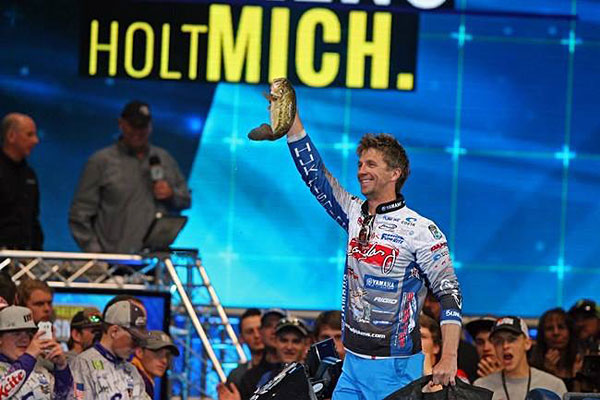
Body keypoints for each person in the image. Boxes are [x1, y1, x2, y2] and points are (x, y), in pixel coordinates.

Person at [280, 107, 463, 399]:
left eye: (371, 164)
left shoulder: (421, 229)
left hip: (396, 367)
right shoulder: (354, 212)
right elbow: (315, 175)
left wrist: (450, 356)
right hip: (352, 364)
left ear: (395, 173)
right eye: (360, 163)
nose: (361, 170)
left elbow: (449, 293)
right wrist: (292, 122)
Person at [69, 100, 191, 254]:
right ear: (121, 124)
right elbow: (79, 214)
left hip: (155, 262)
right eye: (133, 126)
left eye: (143, 127)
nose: (138, 132)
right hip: (112, 263)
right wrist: (95, 254)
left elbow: (186, 200)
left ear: (150, 126)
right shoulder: (101, 162)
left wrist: (171, 194)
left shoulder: (164, 159)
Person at [70, 299, 150, 399]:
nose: (136, 346)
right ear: (114, 331)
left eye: (139, 340)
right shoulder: (84, 363)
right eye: (134, 339)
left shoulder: (131, 370)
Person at [474, 316, 567, 400]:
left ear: (527, 343)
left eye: (512, 339)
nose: (505, 346)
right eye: (498, 341)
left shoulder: (553, 385)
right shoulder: (481, 386)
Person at [0, 305, 72, 399]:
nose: (25, 339)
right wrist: (29, 356)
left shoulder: (40, 371)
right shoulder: (29, 361)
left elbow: (64, 397)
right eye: (16, 334)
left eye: (28, 333)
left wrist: (62, 368)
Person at [0, 112, 43, 250]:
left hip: (23, 256)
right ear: (11, 136)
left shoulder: (29, 175)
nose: (35, 141)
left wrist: (37, 251)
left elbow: (33, 217)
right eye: (29, 135)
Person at [237, 309, 287, 400]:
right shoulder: (248, 378)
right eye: (268, 326)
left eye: (278, 325)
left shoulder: (303, 370)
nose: (274, 331)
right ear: (261, 332)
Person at [529, 308, 582, 390]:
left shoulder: (580, 362)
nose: (556, 333)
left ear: (570, 331)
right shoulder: (532, 366)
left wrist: (577, 377)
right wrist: (547, 372)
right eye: (549, 328)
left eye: (561, 327)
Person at [132, 330, 180, 397]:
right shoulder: (132, 381)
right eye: (158, 353)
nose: (164, 361)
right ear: (139, 352)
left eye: (167, 355)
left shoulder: (145, 382)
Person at [227, 308, 264, 389]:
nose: (257, 335)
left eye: (260, 329)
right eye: (250, 332)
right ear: (241, 338)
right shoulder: (236, 376)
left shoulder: (284, 369)